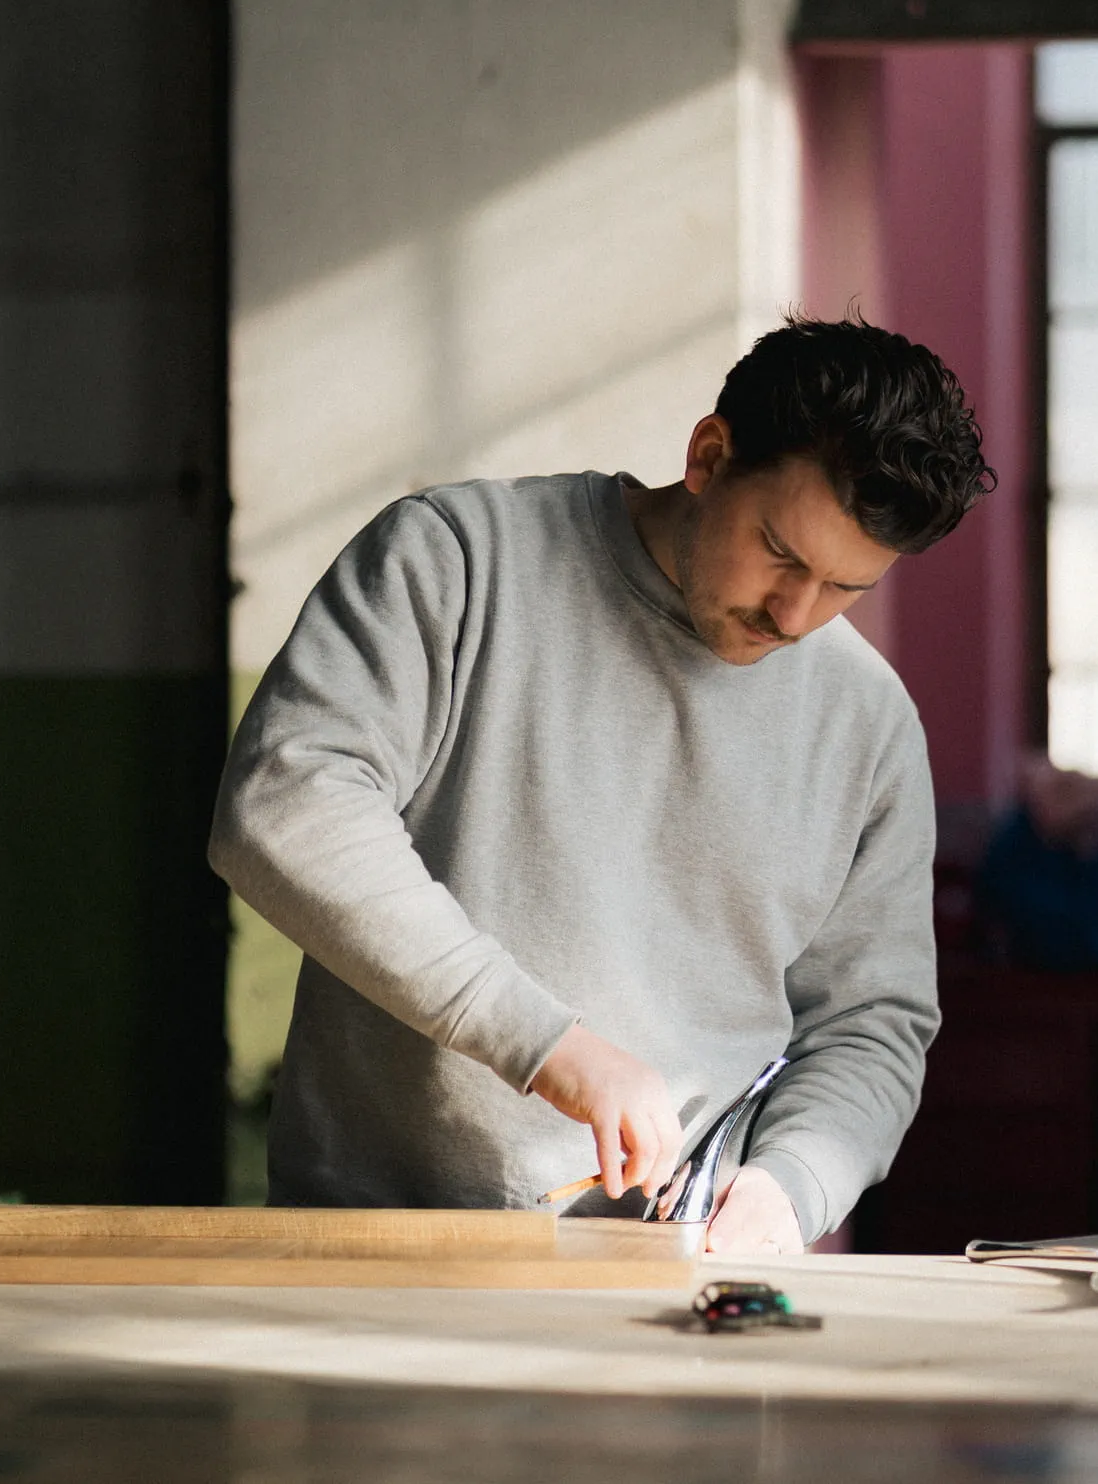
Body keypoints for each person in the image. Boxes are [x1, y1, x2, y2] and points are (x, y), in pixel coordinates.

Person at [209, 316, 994, 1253]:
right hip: (377, 1244)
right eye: (781, 554)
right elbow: (287, 802)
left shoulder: (867, 722)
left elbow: (871, 1024)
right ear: (709, 456)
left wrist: (793, 1184)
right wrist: (546, 1045)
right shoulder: (459, 559)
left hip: (675, 1270)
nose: (794, 615)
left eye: (844, 588)